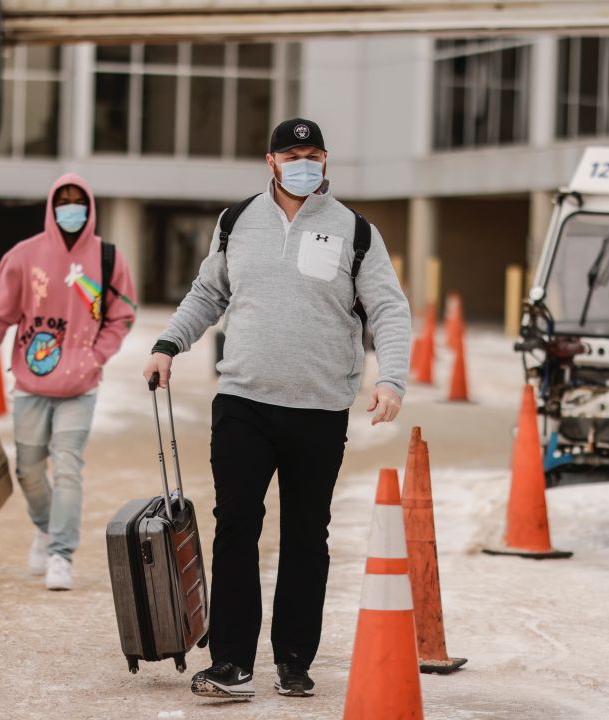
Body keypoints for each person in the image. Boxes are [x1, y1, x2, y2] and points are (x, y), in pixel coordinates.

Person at [142, 118, 410, 700]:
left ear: (324, 159)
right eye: (291, 153)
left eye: (311, 153)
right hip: (243, 400)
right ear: (271, 161)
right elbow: (208, 293)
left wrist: (391, 378)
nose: (301, 162)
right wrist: (168, 345)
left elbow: (387, 308)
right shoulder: (236, 221)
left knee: (306, 536)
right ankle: (232, 662)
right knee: (236, 528)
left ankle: (294, 660)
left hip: (318, 407)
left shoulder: (354, 231)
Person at [0, 173, 136, 591]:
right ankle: (45, 526)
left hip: (81, 386)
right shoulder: (23, 257)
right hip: (31, 385)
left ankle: (60, 553)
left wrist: (95, 356)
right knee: (29, 470)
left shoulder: (108, 258)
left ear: (90, 207)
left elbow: (122, 314)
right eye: (64, 200)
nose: (71, 208)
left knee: (69, 467)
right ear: (52, 206)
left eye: (78, 201)